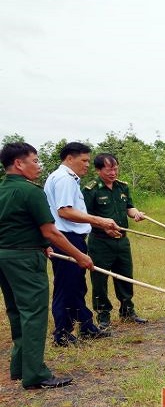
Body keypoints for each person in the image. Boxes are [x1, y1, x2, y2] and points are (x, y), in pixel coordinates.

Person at [0, 142, 93, 389]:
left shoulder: (3, 190)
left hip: (5, 257)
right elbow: (51, 231)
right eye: (35, 161)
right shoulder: (31, 192)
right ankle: (36, 375)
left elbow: (15, 226)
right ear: (19, 164)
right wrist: (79, 256)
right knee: (33, 313)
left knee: (17, 312)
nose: (39, 167)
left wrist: (37, 242)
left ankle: (20, 366)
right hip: (25, 260)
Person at [43, 142, 119, 346]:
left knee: (77, 286)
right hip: (66, 238)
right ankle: (62, 334)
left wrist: (100, 225)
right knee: (67, 287)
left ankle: (86, 326)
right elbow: (64, 211)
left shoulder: (67, 179)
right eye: (84, 160)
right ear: (69, 158)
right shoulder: (64, 179)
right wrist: (99, 220)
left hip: (72, 236)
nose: (87, 165)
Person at [83, 153, 148, 328]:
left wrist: (137, 214)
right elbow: (85, 216)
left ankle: (127, 310)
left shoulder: (122, 187)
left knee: (126, 275)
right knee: (100, 279)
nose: (113, 173)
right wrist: (103, 227)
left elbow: (129, 207)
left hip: (122, 241)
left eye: (115, 168)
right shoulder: (91, 189)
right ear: (98, 170)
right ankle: (103, 315)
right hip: (100, 242)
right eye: (108, 169)